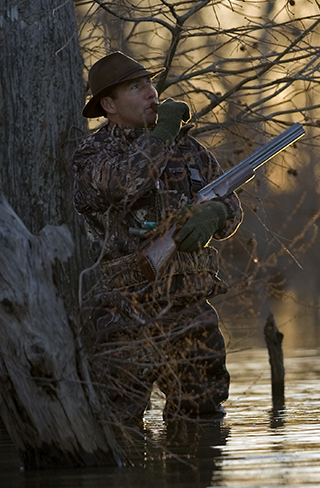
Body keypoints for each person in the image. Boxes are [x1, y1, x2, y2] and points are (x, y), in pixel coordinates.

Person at [72, 51, 243, 426]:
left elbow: (230, 205)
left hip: (188, 308)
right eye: (137, 87)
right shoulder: (94, 153)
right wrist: (163, 134)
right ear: (109, 105)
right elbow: (124, 183)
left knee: (202, 418)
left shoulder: (190, 149)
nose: (151, 93)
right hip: (123, 312)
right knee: (120, 422)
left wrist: (216, 215)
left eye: (150, 83)